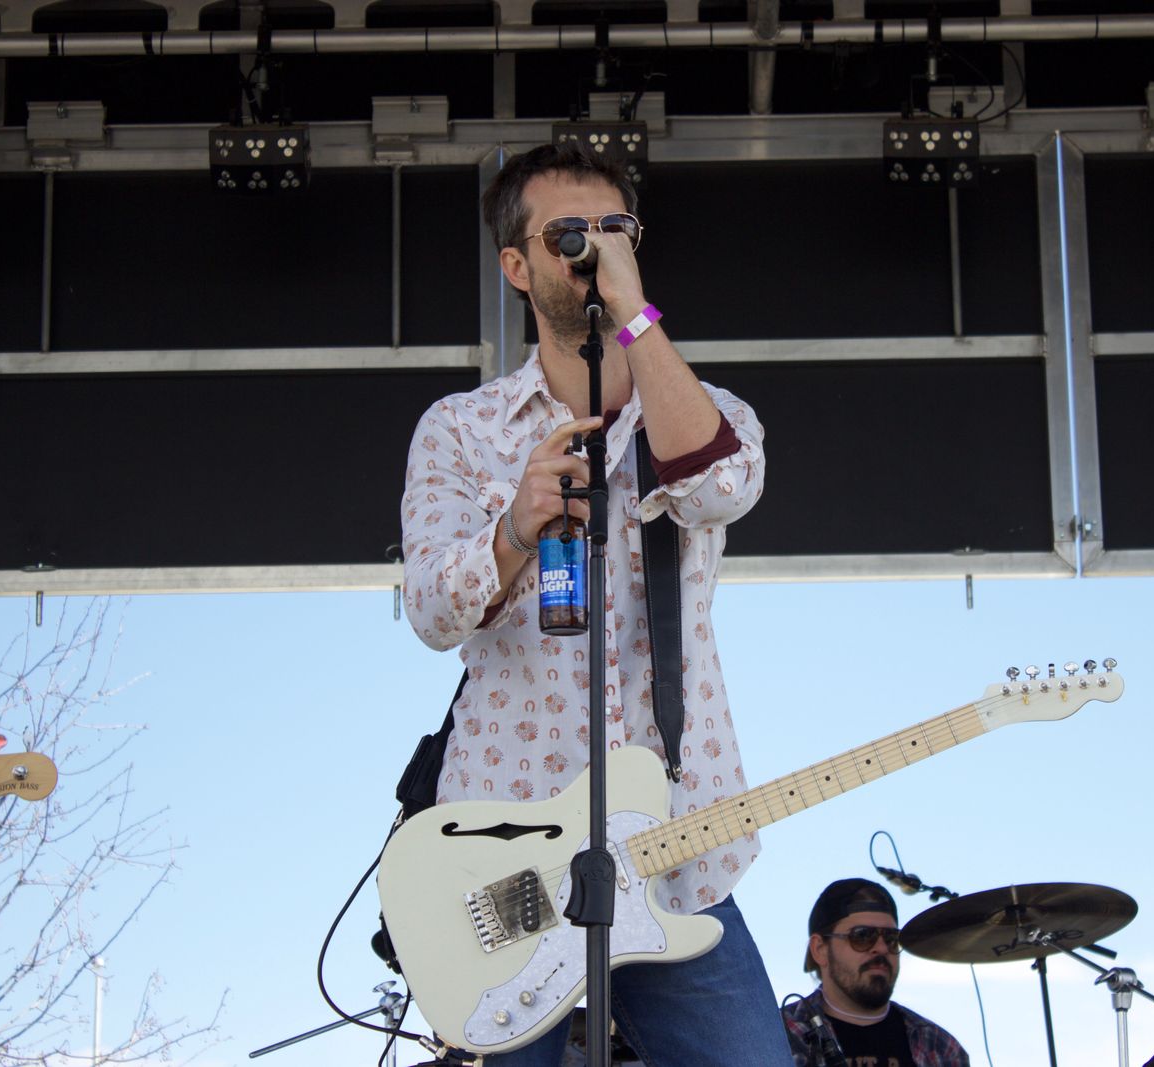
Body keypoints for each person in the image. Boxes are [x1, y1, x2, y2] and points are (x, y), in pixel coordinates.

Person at [398, 141, 784, 1066]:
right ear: (516, 265)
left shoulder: (704, 410)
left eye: (616, 229)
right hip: (506, 850)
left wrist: (636, 312)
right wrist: (513, 531)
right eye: (568, 233)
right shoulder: (461, 429)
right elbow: (432, 613)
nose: (595, 248)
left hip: (671, 852)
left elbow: (724, 487)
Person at [784, 878, 971, 1067]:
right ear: (820, 949)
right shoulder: (780, 1034)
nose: (881, 948)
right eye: (862, 935)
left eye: (891, 938)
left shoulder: (940, 1046)